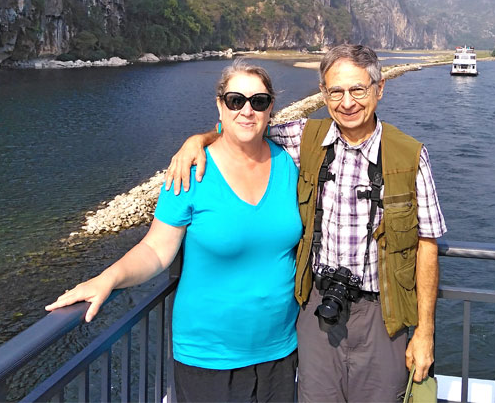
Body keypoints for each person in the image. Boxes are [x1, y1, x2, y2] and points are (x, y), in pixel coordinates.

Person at [166, 44, 446, 402]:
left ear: (379, 89)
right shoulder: (306, 139)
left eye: (358, 90)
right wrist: (198, 140)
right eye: (336, 91)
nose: (347, 102)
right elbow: (246, 126)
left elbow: (427, 245)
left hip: (383, 315)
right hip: (317, 312)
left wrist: (424, 332)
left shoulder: (410, 156)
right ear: (323, 94)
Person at [46, 60, 302, 403]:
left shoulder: (289, 163)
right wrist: (108, 278)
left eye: (258, 101)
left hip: (280, 349)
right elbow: (156, 249)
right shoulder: (191, 170)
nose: (247, 110)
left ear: (270, 108)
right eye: (235, 100)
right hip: (209, 355)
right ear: (220, 106)